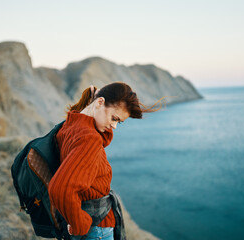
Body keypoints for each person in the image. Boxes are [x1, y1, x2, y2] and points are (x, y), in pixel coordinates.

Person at [48, 82, 162, 240]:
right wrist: (80, 225)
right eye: (114, 118)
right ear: (100, 102)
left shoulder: (72, 123)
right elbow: (60, 188)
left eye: (119, 122)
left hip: (90, 226)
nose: (114, 126)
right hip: (96, 230)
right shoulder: (90, 139)